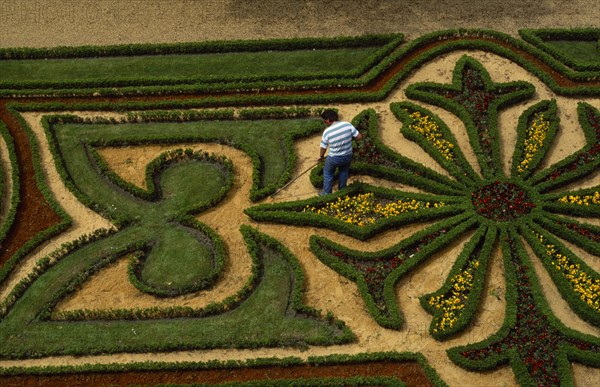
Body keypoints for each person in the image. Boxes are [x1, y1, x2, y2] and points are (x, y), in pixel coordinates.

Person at [318, 109, 362, 195]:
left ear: (328, 119)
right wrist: (349, 140)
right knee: (343, 173)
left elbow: (323, 147)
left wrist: (321, 156)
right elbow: (359, 136)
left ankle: (327, 194)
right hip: (347, 156)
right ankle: (342, 191)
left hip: (334, 158)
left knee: (328, 174)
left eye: (324, 120)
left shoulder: (327, 131)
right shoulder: (347, 124)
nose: (324, 122)